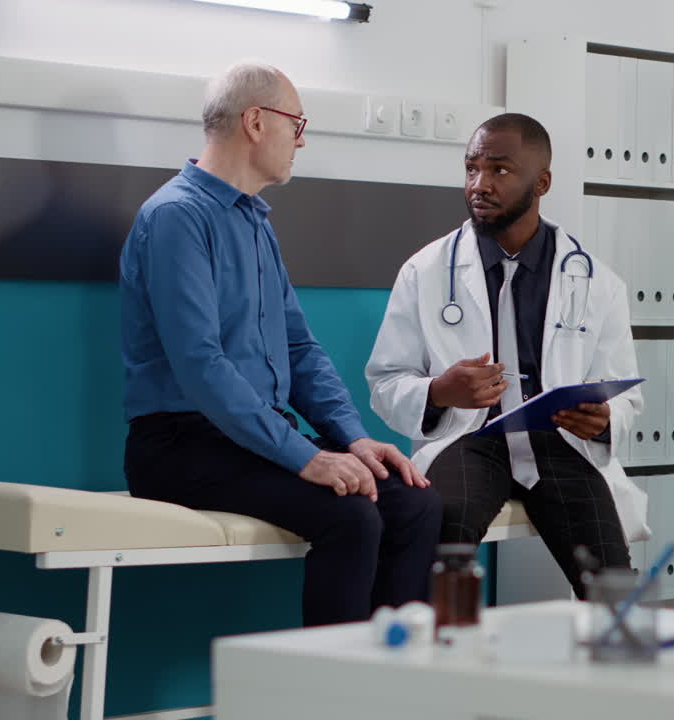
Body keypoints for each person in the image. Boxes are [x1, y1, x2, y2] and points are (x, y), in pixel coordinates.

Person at [119, 62, 441, 627]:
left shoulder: (255, 222)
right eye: (296, 123)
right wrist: (307, 457)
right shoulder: (176, 218)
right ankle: (325, 696)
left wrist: (354, 440)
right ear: (255, 122)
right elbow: (201, 366)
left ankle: (392, 683)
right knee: (353, 517)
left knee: (413, 504)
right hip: (179, 447)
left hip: (247, 440)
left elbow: (299, 349)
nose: (301, 138)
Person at [366, 113, 649, 599]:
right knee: (442, 548)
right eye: (472, 168)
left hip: (557, 443)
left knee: (614, 587)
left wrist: (602, 420)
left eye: (499, 170)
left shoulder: (597, 280)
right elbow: (386, 381)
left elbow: (623, 391)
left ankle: (620, 669)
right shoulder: (426, 270)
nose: (480, 184)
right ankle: (433, 659)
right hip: (470, 441)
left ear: (541, 182)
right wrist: (437, 392)